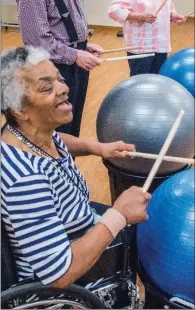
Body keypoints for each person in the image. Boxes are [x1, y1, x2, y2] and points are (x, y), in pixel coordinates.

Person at [1, 46, 151, 289]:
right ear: (19, 109)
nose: (63, 88)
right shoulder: (26, 181)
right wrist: (119, 215)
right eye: (46, 87)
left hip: (78, 227)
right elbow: (59, 275)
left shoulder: (27, 133)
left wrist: (97, 147)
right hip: (71, 283)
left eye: (59, 78)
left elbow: (59, 142)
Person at [15, 0, 103, 138]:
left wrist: (82, 45)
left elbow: (63, 22)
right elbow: (36, 40)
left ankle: (67, 167)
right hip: (56, 71)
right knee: (58, 132)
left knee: (71, 126)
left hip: (72, 64)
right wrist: (74, 54)